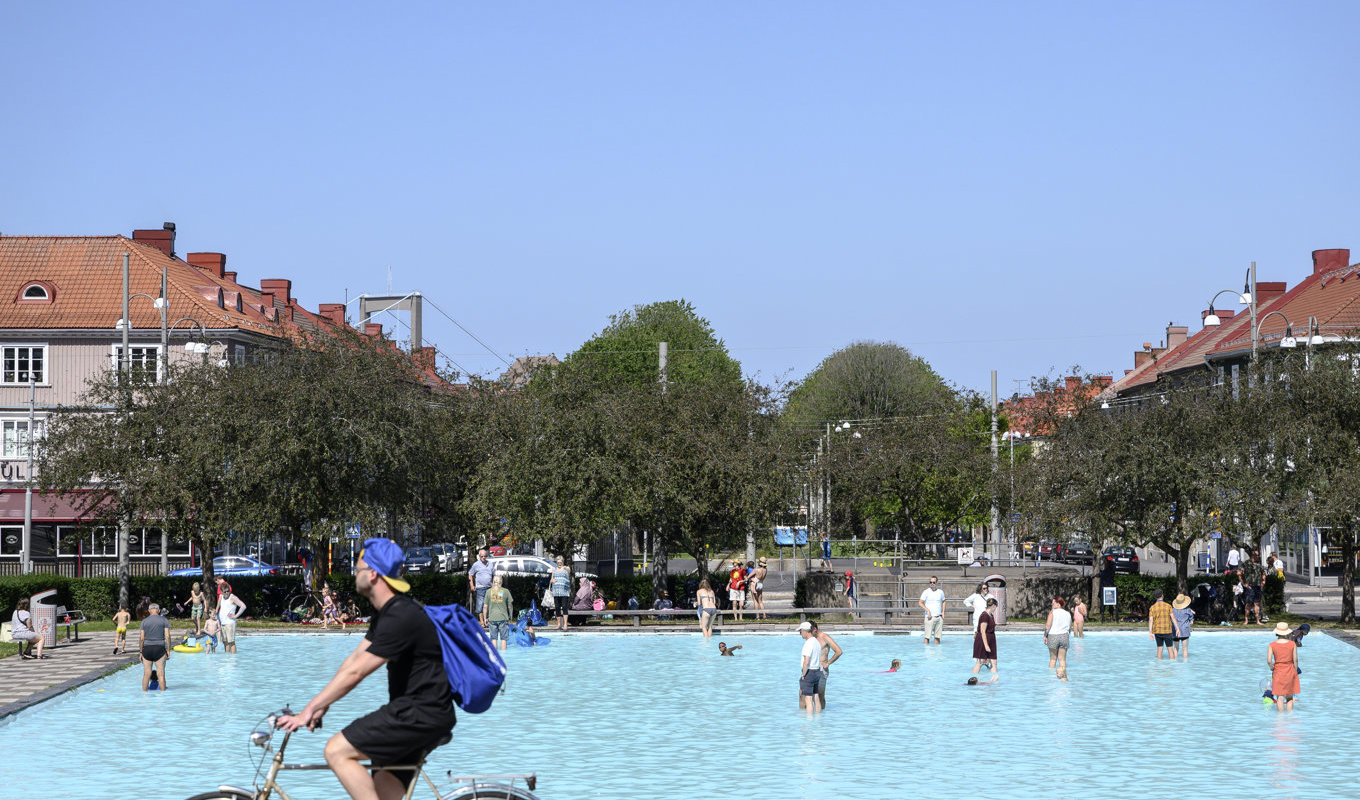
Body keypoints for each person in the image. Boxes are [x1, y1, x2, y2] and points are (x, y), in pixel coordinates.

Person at [279, 538, 457, 800]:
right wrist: (321, 704)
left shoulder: (401, 615)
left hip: (419, 714)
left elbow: (357, 673)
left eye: (358, 569)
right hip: (419, 713)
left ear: (373, 573)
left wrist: (307, 712)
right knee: (383, 780)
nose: (354, 574)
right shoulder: (387, 613)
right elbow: (353, 661)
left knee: (336, 750)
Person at [1267, 621, 1300, 711]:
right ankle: (1289, 717)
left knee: (1280, 697)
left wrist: (1271, 668)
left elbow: (1269, 660)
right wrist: (1295, 669)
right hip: (1290, 670)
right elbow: (1295, 659)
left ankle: (1280, 719)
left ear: (1277, 632)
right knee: (1289, 697)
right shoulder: (1292, 644)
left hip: (1278, 670)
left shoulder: (1272, 645)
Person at [810, 620, 843, 710]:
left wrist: (828, 663)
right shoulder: (811, 639)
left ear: (815, 629)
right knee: (810, 696)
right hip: (811, 669)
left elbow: (839, 651)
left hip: (821, 669)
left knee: (820, 694)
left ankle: (821, 718)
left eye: (810, 631)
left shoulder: (825, 637)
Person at [139, 601, 171, 690]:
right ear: (159, 610)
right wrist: (168, 650)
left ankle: (144, 696)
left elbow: (141, 638)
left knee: (146, 674)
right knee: (160, 673)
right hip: (159, 648)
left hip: (147, 649)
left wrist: (141, 652)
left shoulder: (144, 621)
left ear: (149, 611)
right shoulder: (164, 620)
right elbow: (167, 636)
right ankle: (163, 695)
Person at [797, 621, 822, 713]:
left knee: (808, 699)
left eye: (800, 631)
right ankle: (818, 717)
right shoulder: (816, 642)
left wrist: (803, 675)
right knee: (816, 696)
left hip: (809, 672)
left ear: (805, 631)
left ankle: (809, 722)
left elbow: (806, 662)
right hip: (817, 671)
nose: (800, 633)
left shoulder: (808, 643)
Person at [972, 596, 998, 681]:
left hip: (991, 640)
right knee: (980, 662)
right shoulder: (984, 616)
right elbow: (983, 631)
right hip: (983, 641)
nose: (995, 609)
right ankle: (973, 680)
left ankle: (994, 681)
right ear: (993, 606)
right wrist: (986, 646)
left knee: (994, 663)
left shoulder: (991, 615)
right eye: (996, 607)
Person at [1044, 596, 1072, 676]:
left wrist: (1045, 636)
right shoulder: (1068, 614)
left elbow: (1048, 625)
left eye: (1053, 603)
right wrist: (1066, 636)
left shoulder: (1052, 612)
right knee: (1062, 660)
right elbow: (1070, 628)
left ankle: (1051, 678)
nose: (1052, 605)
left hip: (1053, 636)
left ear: (1058, 604)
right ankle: (1064, 677)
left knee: (1053, 659)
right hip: (1064, 636)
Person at [485, 575, 513, 651]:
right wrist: (511, 616)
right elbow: (510, 606)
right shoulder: (506, 591)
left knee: (494, 639)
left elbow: (485, 606)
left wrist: (485, 618)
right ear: (501, 582)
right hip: (503, 618)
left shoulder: (488, 592)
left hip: (492, 618)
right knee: (504, 639)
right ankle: (504, 657)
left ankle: (495, 658)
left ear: (493, 582)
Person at [467, 549, 495, 627]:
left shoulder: (490, 564)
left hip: (489, 587)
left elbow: (493, 575)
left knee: (489, 604)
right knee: (480, 605)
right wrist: (472, 585)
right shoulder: (476, 564)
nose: (483, 558)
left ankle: (487, 620)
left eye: (485, 556)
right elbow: (470, 574)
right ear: (479, 556)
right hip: (480, 587)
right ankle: (482, 622)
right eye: (482, 556)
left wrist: (494, 584)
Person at [217, 584, 247, 654]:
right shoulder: (221, 597)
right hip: (223, 623)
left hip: (230, 623)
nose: (227, 593)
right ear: (221, 592)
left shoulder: (233, 597)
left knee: (231, 642)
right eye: (225, 592)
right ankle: (227, 657)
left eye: (228, 591)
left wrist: (236, 616)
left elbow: (243, 606)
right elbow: (219, 606)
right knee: (225, 642)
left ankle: (233, 658)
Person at [1147, 590, 1175, 659]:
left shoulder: (1152, 607)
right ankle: (1173, 667)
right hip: (1167, 630)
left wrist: (1150, 632)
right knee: (1170, 649)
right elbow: (1173, 618)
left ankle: (1158, 667)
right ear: (1162, 595)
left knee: (1159, 649)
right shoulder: (1168, 606)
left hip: (1157, 631)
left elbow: (1151, 620)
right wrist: (1177, 629)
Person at [918, 576, 945, 645]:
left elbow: (944, 601)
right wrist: (928, 610)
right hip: (929, 617)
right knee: (927, 637)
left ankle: (937, 653)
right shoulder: (926, 592)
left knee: (937, 637)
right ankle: (926, 652)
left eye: (933, 582)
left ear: (936, 583)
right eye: (930, 582)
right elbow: (920, 602)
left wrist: (943, 612)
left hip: (939, 617)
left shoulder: (940, 592)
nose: (932, 583)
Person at [549, 554, 572, 632]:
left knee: (565, 607)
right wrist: (552, 580)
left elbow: (569, 570)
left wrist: (564, 567)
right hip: (556, 592)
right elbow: (551, 579)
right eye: (558, 562)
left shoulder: (566, 568)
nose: (559, 563)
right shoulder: (554, 569)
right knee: (557, 608)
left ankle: (565, 624)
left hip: (564, 592)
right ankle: (559, 624)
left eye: (561, 562)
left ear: (563, 562)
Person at [1242, 551, 1266, 625]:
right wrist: (1243, 583)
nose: (1258, 557)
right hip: (1250, 586)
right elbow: (1239, 573)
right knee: (1248, 603)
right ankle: (1246, 620)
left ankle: (1257, 620)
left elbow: (1263, 573)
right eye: (1257, 555)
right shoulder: (1246, 564)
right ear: (1253, 556)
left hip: (1257, 586)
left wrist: (1263, 581)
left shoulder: (1259, 564)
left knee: (1257, 603)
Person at [1171, 593, 1194, 661]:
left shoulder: (1173, 609)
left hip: (1175, 631)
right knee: (1185, 649)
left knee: (1175, 649)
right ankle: (1185, 665)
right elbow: (1191, 619)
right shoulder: (1188, 610)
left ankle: (1174, 663)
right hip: (1185, 631)